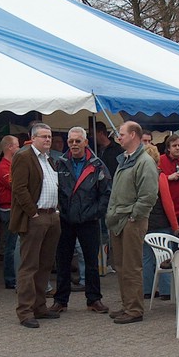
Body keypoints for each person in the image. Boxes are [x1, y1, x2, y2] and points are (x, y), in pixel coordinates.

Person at [50, 126, 112, 314]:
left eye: (78, 141)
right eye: (71, 141)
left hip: (89, 220)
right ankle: (61, 300)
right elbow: (54, 190)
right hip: (65, 220)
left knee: (92, 261)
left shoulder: (97, 164)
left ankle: (94, 299)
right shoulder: (59, 163)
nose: (74, 144)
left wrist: (95, 212)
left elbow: (106, 193)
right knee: (63, 261)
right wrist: (60, 211)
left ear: (85, 142)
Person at [105, 121, 159, 324]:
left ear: (133, 135)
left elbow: (148, 195)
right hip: (119, 219)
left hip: (131, 220)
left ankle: (135, 309)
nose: (119, 137)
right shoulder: (125, 160)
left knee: (132, 265)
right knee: (120, 265)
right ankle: (127, 304)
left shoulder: (144, 162)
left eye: (121, 134)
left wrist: (134, 216)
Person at [10, 123, 62, 328]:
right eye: (43, 137)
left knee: (45, 265)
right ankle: (25, 310)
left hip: (51, 216)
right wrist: (32, 212)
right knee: (29, 266)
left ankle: (40, 306)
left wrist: (56, 211)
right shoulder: (24, 157)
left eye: (49, 136)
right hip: (36, 217)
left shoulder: (50, 159)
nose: (48, 140)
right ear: (33, 138)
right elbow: (19, 188)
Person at [141, 144, 179, 300]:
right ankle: (165, 291)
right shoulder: (160, 175)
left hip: (144, 221)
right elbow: (167, 203)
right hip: (160, 223)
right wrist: (175, 226)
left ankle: (147, 290)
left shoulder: (139, 175)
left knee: (147, 258)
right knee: (164, 257)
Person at [0, 134, 20, 289]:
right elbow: (15, 184)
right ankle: (10, 278)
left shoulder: (11, 165)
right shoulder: (3, 167)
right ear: (10, 147)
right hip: (9, 209)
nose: (19, 147)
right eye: (17, 145)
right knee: (11, 245)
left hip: (13, 208)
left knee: (14, 244)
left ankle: (13, 276)